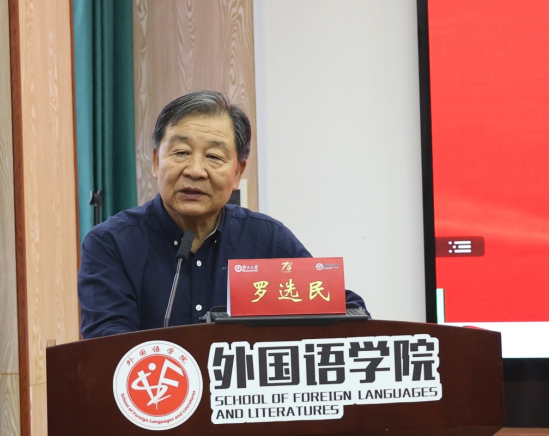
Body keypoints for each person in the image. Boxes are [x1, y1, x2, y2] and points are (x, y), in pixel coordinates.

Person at [78, 90, 368, 339]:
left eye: (214, 157)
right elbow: (107, 346)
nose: (195, 170)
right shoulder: (111, 244)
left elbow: (347, 312)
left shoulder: (268, 240)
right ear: (156, 162)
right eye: (181, 152)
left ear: (237, 172)